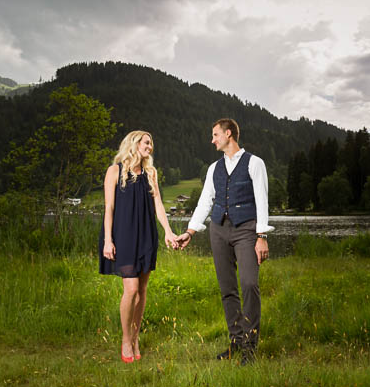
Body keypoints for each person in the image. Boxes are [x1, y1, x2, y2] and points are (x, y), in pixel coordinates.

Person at [176, 118, 272, 365]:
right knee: (227, 289)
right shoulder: (213, 168)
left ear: (229, 134)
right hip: (218, 230)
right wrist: (190, 231)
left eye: (215, 134)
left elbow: (262, 200)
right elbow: (205, 202)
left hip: (246, 230)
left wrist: (261, 236)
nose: (212, 140)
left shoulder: (254, 163)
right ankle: (236, 342)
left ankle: (250, 346)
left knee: (249, 284)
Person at [100, 130, 179, 363]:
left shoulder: (150, 173)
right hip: (123, 235)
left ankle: (136, 338)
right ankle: (126, 339)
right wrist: (107, 239)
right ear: (134, 143)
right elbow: (109, 208)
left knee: (142, 290)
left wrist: (168, 231)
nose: (150, 147)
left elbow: (159, 206)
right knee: (131, 289)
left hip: (147, 235)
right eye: (147, 142)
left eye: (151, 143)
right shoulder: (114, 171)